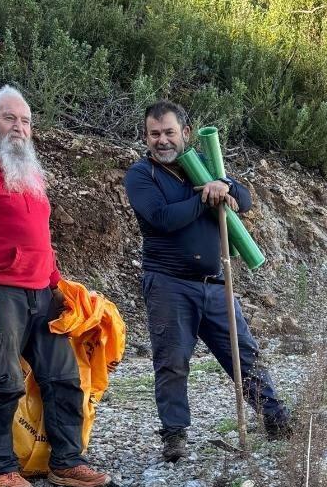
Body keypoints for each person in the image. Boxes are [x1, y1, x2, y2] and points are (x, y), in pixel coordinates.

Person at [0, 87, 111, 487]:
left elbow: (41, 237)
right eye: (9, 118)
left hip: (43, 293)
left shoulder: (28, 169)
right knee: (4, 381)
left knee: (64, 378)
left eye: (26, 121)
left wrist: (57, 283)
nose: (19, 128)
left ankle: (67, 462)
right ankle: (1, 468)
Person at [124, 101, 291, 462]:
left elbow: (243, 201)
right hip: (168, 283)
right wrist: (207, 196)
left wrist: (224, 184)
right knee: (172, 361)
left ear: (185, 133)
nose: (162, 140)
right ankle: (174, 437)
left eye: (169, 132)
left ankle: (276, 418)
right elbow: (162, 217)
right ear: (146, 136)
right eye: (155, 134)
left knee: (243, 354)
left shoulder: (204, 167)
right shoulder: (141, 175)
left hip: (215, 283)